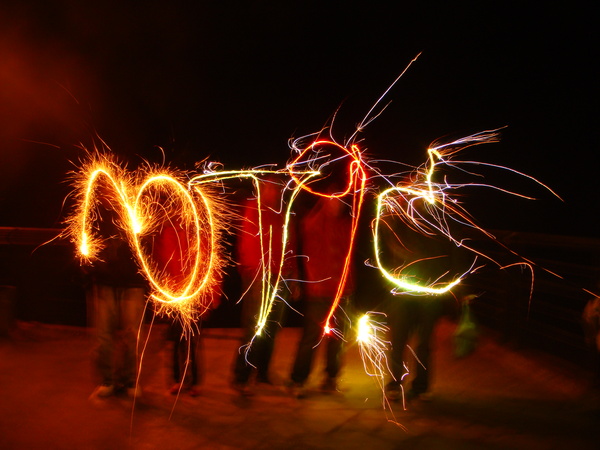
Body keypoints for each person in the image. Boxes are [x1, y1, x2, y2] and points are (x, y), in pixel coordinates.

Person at [232, 177, 297, 395]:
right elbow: (246, 242)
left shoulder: (282, 213)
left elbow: (290, 244)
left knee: (271, 327)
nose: (274, 191)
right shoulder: (252, 208)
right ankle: (242, 375)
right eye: (270, 187)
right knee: (253, 326)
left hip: (280, 276)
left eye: (277, 188)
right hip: (258, 276)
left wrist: (292, 274)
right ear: (262, 189)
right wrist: (251, 271)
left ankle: (262, 372)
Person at [288, 194, 355, 398]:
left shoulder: (344, 225)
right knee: (311, 337)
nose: (335, 205)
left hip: (340, 291)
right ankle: (298, 380)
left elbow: (347, 257)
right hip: (318, 292)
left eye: (338, 201)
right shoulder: (314, 223)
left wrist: (349, 285)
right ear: (324, 202)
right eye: (331, 200)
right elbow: (305, 234)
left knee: (337, 339)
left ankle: (331, 378)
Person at [85, 193, 147, 400]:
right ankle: (108, 381)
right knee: (103, 336)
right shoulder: (96, 214)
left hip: (132, 283)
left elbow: (147, 243)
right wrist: (91, 267)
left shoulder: (136, 208)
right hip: (104, 282)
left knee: (131, 336)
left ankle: (129, 381)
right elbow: (83, 243)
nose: (107, 194)